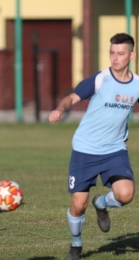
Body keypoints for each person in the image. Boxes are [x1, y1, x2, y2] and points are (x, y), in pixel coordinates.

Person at [49, 33, 139, 260]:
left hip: (115, 149)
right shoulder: (100, 79)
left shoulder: (137, 84)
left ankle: (101, 203)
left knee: (126, 194)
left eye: (120, 53)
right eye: (112, 53)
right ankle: (76, 245)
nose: (115, 58)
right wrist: (60, 109)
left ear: (131, 55)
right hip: (85, 149)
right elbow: (70, 97)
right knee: (78, 205)